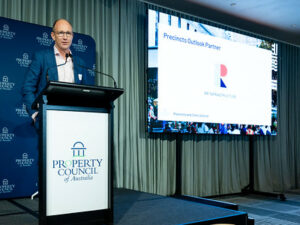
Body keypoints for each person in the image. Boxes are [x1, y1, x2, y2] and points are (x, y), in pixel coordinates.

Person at [22, 18, 90, 124]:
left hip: (75, 119)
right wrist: (35, 113)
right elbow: (28, 88)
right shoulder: (41, 57)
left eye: (68, 33)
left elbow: (86, 92)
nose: (65, 37)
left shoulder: (79, 62)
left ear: (72, 36)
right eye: (61, 33)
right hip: (48, 118)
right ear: (53, 36)